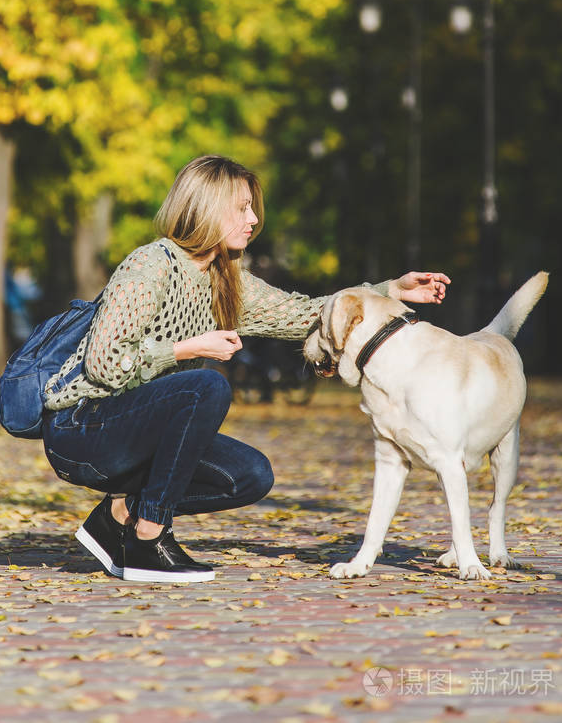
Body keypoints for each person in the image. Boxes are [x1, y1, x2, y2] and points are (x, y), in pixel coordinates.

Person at [42, 155, 449, 583]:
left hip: (137, 432)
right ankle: (147, 536)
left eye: (253, 207)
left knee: (249, 475)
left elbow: (305, 314)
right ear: (205, 207)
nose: (253, 219)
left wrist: (386, 291)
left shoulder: (227, 278)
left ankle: (117, 515)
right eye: (242, 207)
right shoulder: (150, 266)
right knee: (205, 388)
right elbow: (103, 364)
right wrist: (186, 349)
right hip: (81, 427)